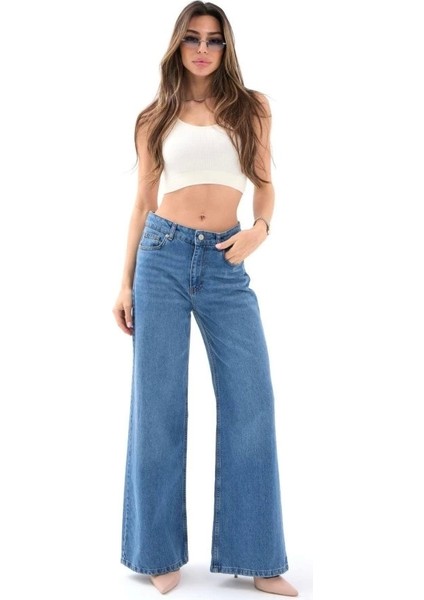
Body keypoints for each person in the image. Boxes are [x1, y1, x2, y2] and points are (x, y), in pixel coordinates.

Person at [112, 1, 298, 596]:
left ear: (226, 47)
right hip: (161, 257)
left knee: (252, 403)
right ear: (178, 44)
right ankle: (156, 552)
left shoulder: (252, 108)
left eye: (213, 40)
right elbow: (142, 203)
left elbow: (264, 185)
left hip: (226, 263)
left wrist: (259, 231)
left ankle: (259, 556)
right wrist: (124, 282)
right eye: (192, 38)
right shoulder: (154, 117)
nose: (202, 49)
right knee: (158, 408)